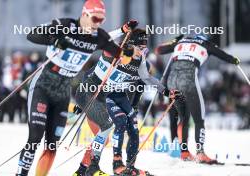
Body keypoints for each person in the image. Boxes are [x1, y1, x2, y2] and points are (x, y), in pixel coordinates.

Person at [16, 0, 136, 175]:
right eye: (95, 19)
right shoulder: (65, 25)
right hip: (43, 85)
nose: (98, 24)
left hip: (62, 92)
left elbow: (117, 51)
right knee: (35, 138)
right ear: (84, 15)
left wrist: (127, 53)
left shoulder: (98, 36)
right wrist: (55, 40)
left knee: (51, 146)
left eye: (101, 20)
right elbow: (32, 35)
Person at [74, 28, 181, 176]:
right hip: (98, 95)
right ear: (130, 45)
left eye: (145, 48)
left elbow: (145, 81)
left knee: (132, 128)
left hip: (119, 95)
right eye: (140, 48)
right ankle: (101, 166)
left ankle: (128, 167)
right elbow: (98, 45)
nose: (143, 52)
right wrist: (83, 103)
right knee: (112, 126)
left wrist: (166, 92)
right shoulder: (116, 53)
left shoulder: (141, 61)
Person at [155, 34, 240, 164]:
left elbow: (159, 50)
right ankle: (200, 153)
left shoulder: (181, 41)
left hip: (172, 80)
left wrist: (175, 41)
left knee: (183, 117)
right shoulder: (207, 44)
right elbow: (224, 56)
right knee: (199, 118)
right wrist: (235, 60)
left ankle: (184, 152)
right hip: (188, 80)